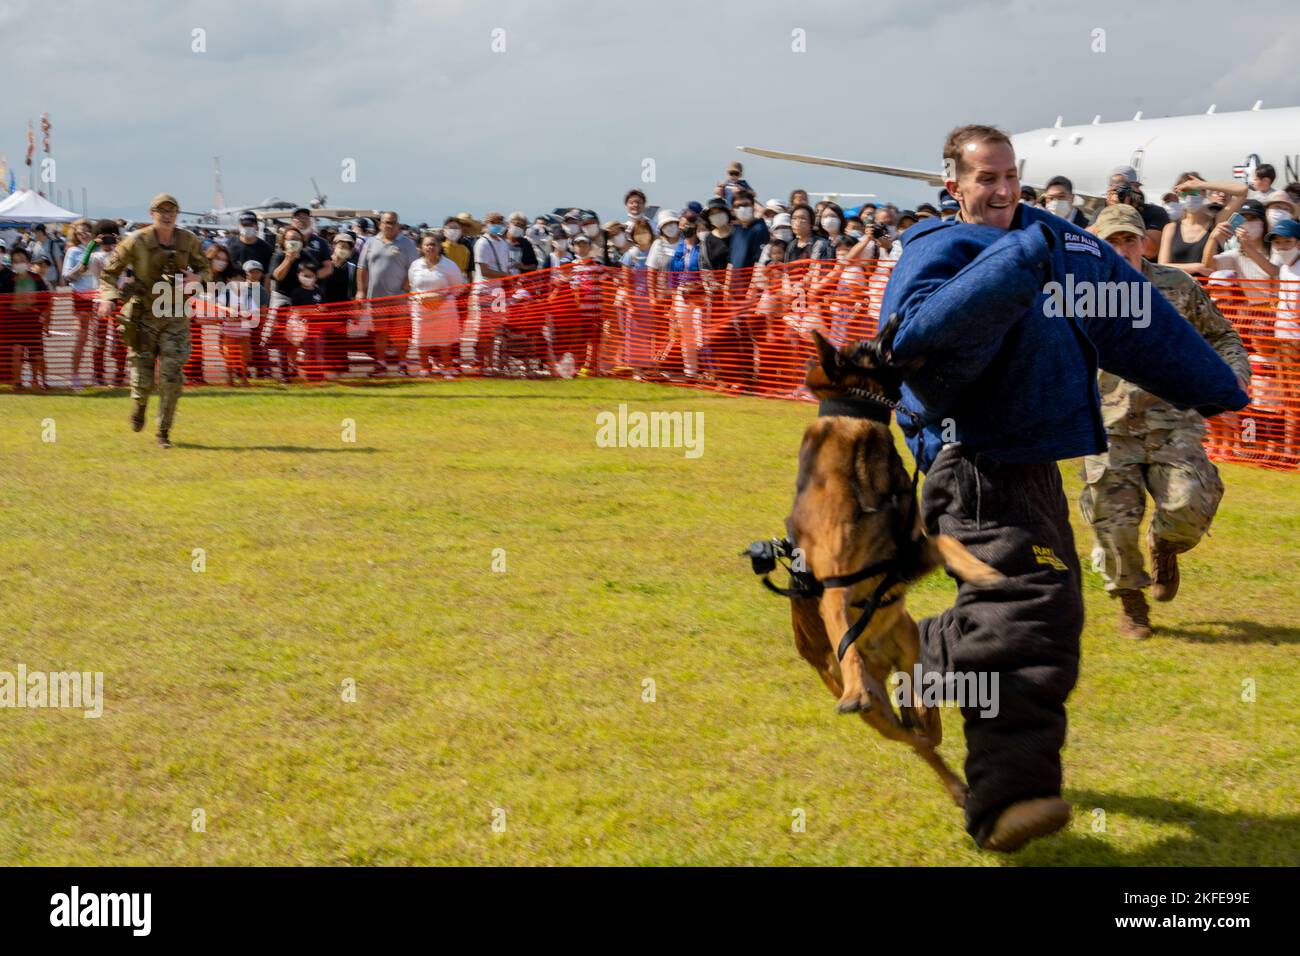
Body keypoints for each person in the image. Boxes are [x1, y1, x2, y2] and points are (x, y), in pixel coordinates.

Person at [878, 125, 1247, 852]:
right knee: (1024, 613)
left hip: (1037, 463)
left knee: (1052, 616)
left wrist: (1214, 387)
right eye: (986, 178)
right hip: (969, 462)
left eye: (1011, 175)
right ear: (952, 184)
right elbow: (911, 337)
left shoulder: (1055, 241)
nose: (1004, 189)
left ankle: (927, 662)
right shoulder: (936, 247)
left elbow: (1133, 319)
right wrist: (1016, 262)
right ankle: (1006, 796)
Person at [1081, 204, 1250, 639]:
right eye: (1111, 242)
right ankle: (1131, 603)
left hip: (1173, 421)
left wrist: (1233, 376)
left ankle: (1165, 546)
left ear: (1144, 242)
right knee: (1112, 523)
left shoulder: (1177, 287)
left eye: (1129, 241)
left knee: (1189, 505)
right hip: (1109, 427)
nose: (1121, 250)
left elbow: (1222, 335)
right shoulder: (1077, 293)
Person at [96, 193, 212, 447]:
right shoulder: (136, 241)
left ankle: (163, 431)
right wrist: (108, 297)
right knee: (143, 375)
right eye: (162, 211)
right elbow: (109, 274)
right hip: (143, 316)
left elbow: (206, 269)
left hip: (175, 315)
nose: (168, 215)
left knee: (172, 374)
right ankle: (139, 405)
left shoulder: (188, 240)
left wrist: (198, 278)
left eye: (172, 211)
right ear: (152, 214)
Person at [356, 210, 419, 374]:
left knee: (399, 333)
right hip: (376, 298)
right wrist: (360, 291)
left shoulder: (407, 243)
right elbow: (362, 268)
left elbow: (414, 269)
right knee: (380, 333)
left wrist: (405, 288)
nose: (389, 226)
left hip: (399, 298)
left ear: (398, 225)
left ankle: (402, 364)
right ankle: (381, 364)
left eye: (393, 223)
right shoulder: (370, 243)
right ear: (380, 224)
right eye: (386, 222)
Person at [408, 231, 465, 376]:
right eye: (427, 245)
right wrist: (423, 299)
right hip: (421, 310)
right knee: (421, 339)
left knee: (444, 340)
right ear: (421, 247)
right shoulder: (415, 265)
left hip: (444, 310)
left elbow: (458, 287)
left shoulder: (449, 265)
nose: (430, 247)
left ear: (439, 246)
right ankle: (425, 368)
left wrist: (440, 297)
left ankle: (447, 368)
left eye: (433, 244)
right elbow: (412, 286)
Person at [0, 246, 52, 389]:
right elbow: (5, 301)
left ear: (28, 262)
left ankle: (42, 381)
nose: (19, 264)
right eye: (16, 261)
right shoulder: (8, 279)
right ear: (12, 264)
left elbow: (46, 300)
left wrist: (45, 319)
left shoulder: (36, 279)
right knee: (16, 351)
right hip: (15, 323)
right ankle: (17, 383)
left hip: (33, 323)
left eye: (22, 260)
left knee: (38, 355)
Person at [62, 220, 101, 387]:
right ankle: (75, 375)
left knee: (99, 337)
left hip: (99, 295)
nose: (83, 235)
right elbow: (66, 276)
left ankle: (96, 374)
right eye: (79, 233)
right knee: (82, 337)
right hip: (81, 296)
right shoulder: (73, 251)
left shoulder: (100, 250)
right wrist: (80, 268)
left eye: (86, 231)